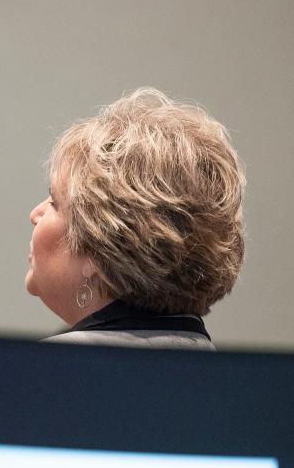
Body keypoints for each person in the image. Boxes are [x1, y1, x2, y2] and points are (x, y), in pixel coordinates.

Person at [25, 88, 245, 349]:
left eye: (54, 202)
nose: (35, 214)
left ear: (99, 248)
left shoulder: (21, 380)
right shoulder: (244, 384)